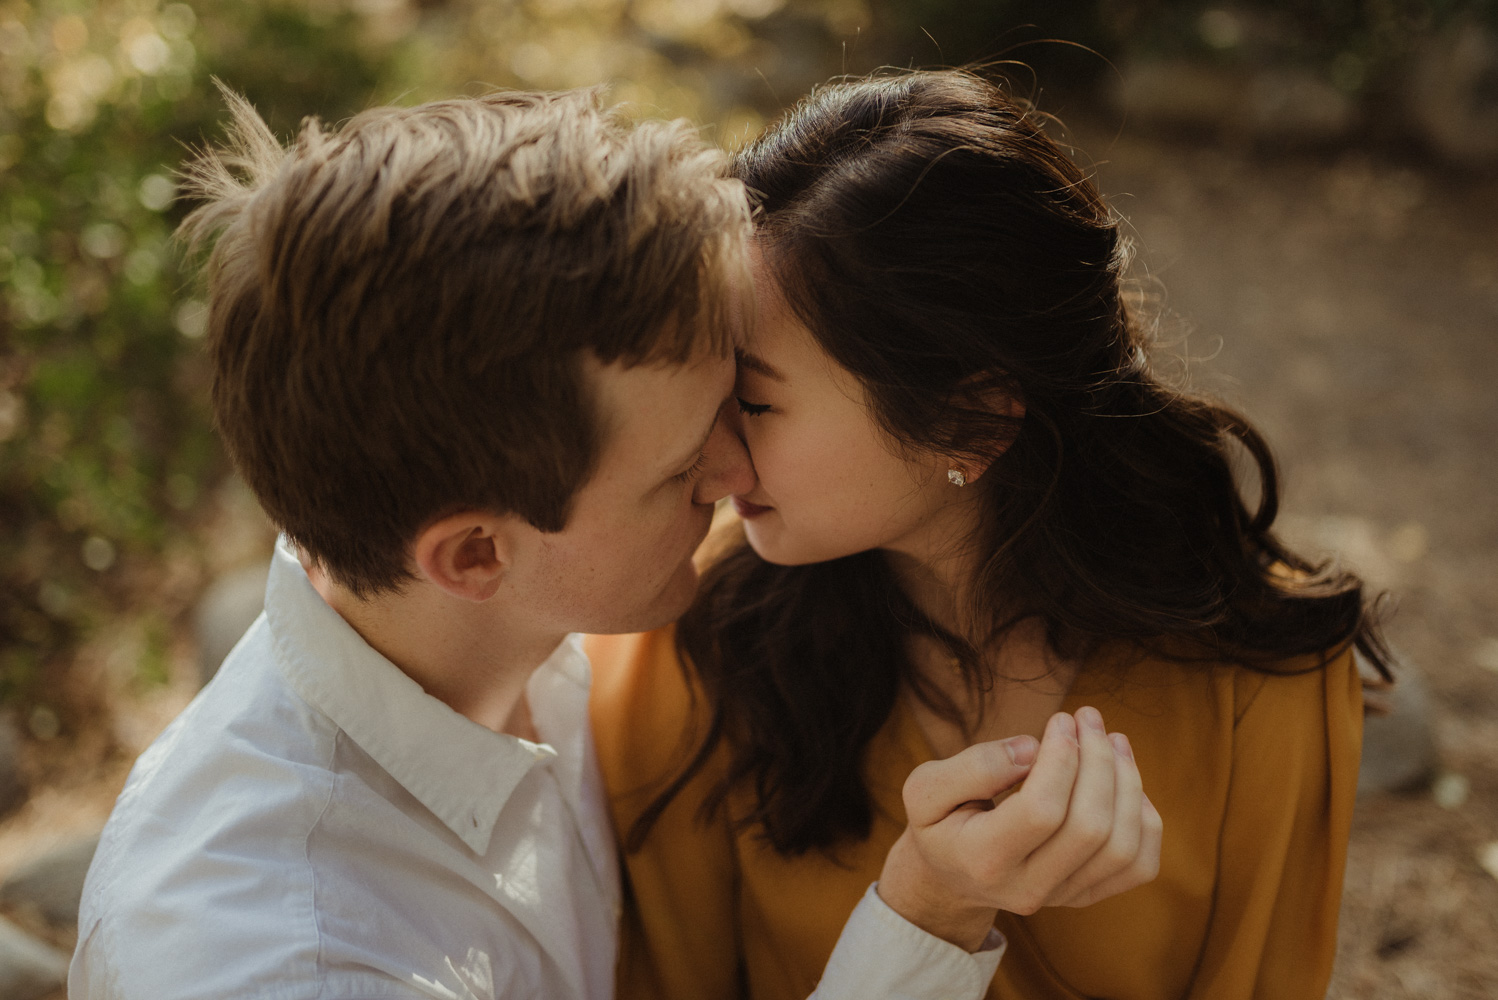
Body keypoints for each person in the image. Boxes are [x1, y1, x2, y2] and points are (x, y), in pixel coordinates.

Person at [68, 85, 1088, 1000]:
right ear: (474, 556)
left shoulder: (533, 634)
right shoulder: (293, 959)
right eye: (680, 468)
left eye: (737, 406)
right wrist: (922, 920)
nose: (736, 478)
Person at [589, 68, 1391, 1000]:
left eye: (756, 401)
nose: (714, 461)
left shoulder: (1266, 685)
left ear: (971, 422)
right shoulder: (695, 643)